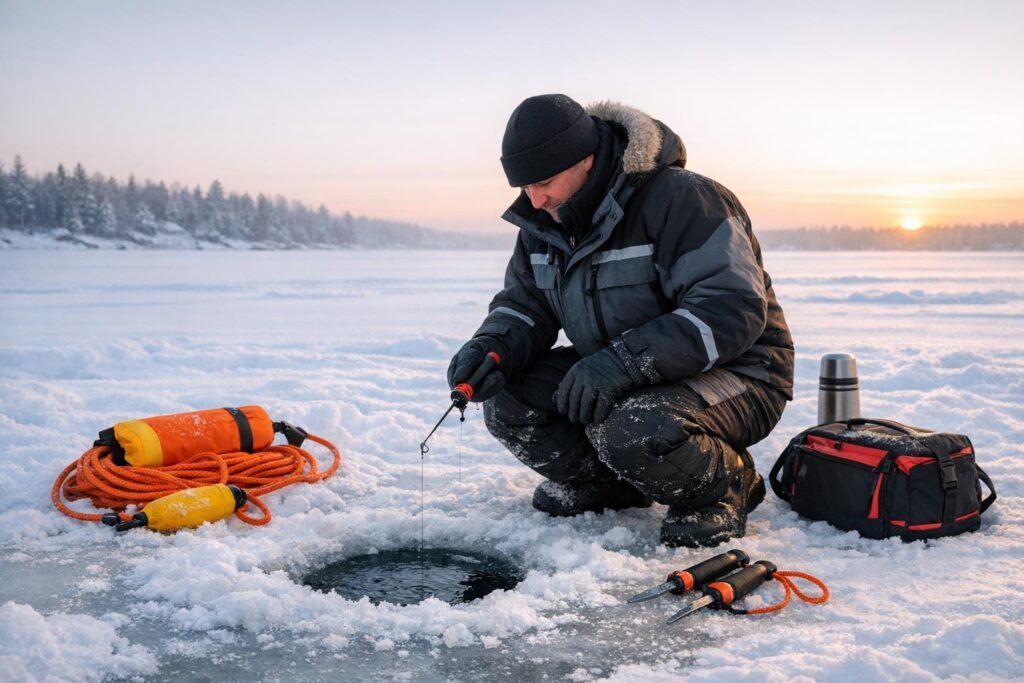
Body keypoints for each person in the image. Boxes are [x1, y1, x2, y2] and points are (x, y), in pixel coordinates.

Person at [448, 94, 794, 547]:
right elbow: (525, 306)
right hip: (624, 374)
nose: (535, 199)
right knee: (510, 402)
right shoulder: (544, 221)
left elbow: (729, 311)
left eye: (546, 181)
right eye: (525, 186)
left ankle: (725, 486)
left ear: (586, 159)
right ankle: (610, 483)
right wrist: (491, 349)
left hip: (741, 373)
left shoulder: (684, 199)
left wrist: (621, 363)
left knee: (634, 427)